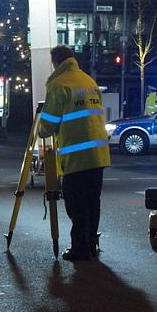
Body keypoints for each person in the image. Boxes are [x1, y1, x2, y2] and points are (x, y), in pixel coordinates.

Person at [38, 45, 111, 262]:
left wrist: (41, 127)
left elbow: (47, 126)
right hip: (98, 155)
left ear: (56, 62)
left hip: (77, 158)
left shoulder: (59, 84)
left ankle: (80, 249)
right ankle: (90, 244)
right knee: (91, 203)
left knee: (76, 205)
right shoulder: (89, 81)